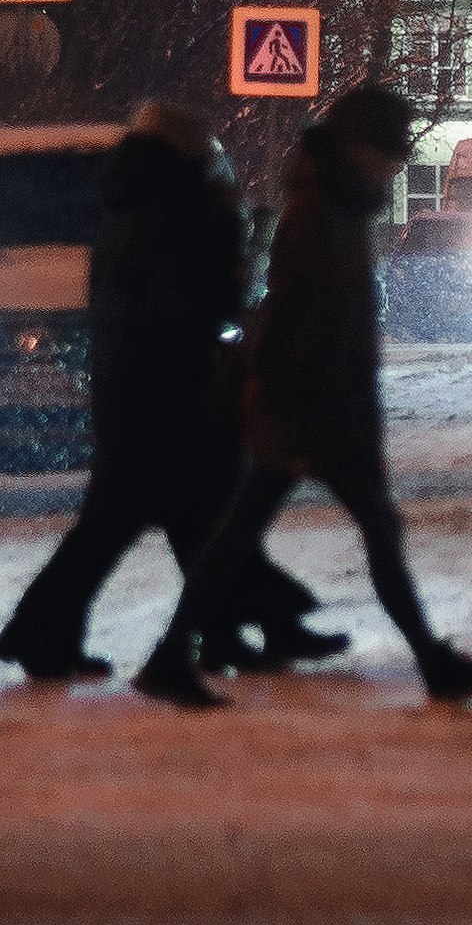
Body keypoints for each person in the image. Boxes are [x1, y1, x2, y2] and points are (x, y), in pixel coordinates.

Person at [134, 86, 472, 709]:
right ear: (357, 147)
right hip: (312, 406)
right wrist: (292, 402)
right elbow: (294, 316)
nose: (394, 164)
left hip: (317, 401)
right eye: (387, 151)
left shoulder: (335, 206)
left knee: (246, 533)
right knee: (352, 532)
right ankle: (434, 663)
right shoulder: (317, 212)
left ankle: (171, 655)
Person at [0, 104, 342, 683]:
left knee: (183, 518)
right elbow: (203, 304)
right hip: (172, 390)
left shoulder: (126, 207)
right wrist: (236, 246)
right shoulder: (182, 214)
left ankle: (239, 628)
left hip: (132, 388)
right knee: (170, 518)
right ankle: (45, 634)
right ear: (189, 156)